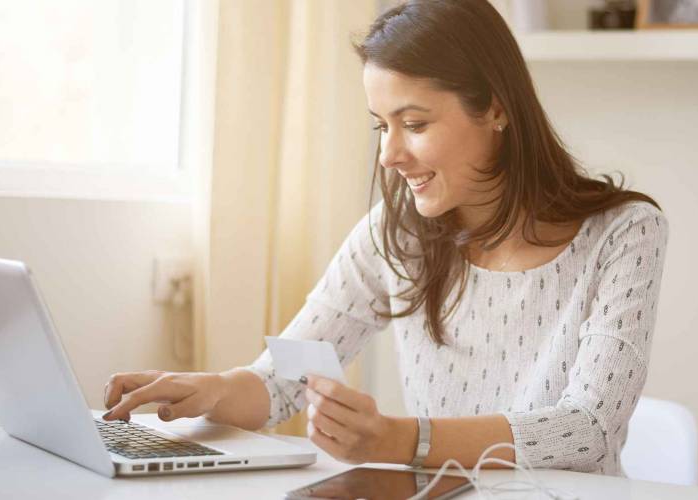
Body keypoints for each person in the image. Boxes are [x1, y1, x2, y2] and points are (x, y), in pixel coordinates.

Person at [102, 0, 668, 477]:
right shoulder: (395, 234)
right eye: (381, 125)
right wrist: (211, 390)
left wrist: (401, 440)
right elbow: (286, 380)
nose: (389, 155)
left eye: (414, 124)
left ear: (495, 108)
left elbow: (586, 428)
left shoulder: (623, 233)